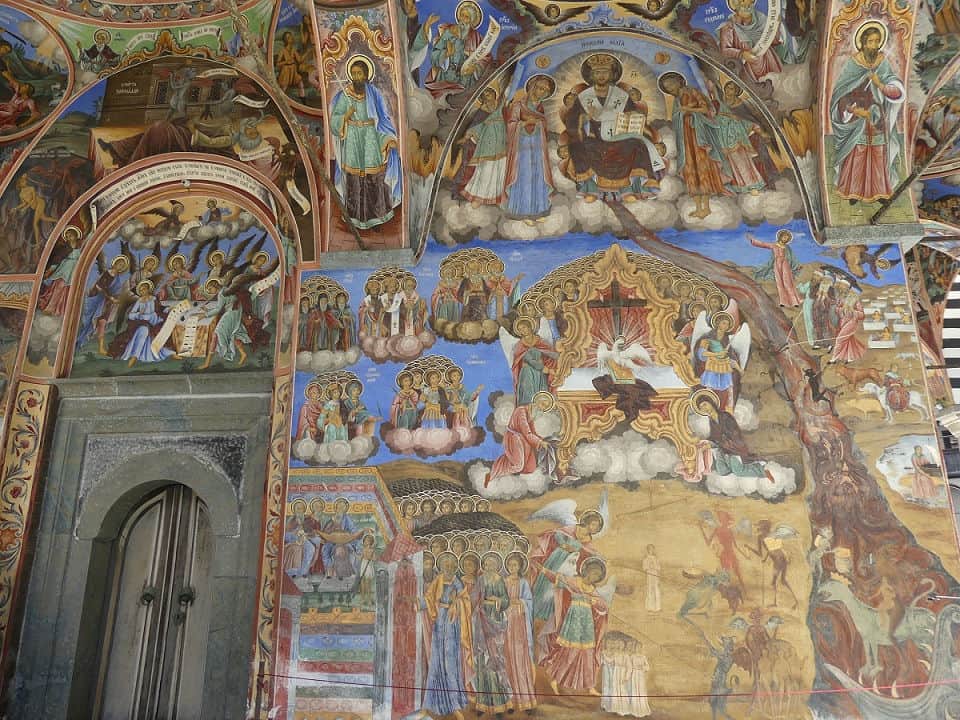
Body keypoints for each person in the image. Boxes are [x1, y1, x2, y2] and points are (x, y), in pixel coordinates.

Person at [561, 54, 664, 202]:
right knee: (578, 146)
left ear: (611, 74)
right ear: (591, 75)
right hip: (593, 137)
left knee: (637, 144)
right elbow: (571, 122)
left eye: (605, 72)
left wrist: (631, 115)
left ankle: (632, 188)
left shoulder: (621, 96)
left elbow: (633, 114)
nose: (601, 76)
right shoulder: (584, 97)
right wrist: (584, 118)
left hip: (619, 136)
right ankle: (589, 188)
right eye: (597, 72)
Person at [829, 22, 905, 204]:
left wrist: (879, 84)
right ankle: (853, 192)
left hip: (877, 116)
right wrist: (854, 110)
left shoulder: (882, 63)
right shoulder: (853, 63)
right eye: (871, 41)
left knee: (878, 153)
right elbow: (841, 93)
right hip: (858, 116)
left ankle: (879, 192)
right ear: (862, 42)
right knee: (858, 153)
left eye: (877, 41)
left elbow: (896, 90)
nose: (875, 45)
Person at [330, 56, 402, 229]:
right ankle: (355, 219)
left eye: (359, 73)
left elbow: (383, 118)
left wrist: (388, 138)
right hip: (353, 137)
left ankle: (376, 218)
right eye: (353, 73)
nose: (356, 77)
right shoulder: (345, 95)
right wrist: (346, 116)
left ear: (366, 75)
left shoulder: (374, 93)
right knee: (354, 179)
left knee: (373, 177)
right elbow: (335, 120)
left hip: (370, 136)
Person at [659, 72, 727, 219]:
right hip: (685, 139)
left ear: (679, 81)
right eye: (666, 88)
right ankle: (698, 207)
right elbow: (676, 117)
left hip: (698, 136)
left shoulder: (693, 92)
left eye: (671, 84)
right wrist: (681, 114)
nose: (670, 88)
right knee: (690, 170)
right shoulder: (677, 100)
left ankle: (706, 207)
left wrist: (689, 110)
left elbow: (707, 110)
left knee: (702, 169)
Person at [538, 556, 609, 695]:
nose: (593, 577)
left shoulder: (592, 590)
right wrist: (544, 570)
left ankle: (590, 686)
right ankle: (555, 679)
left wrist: (594, 601)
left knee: (588, 652)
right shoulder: (574, 582)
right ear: (586, 571)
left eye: (597, 576)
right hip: (573, 622)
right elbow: (558, 578)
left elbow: (603, 605)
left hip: (586, 624)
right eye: (593, 573)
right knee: (570, 651)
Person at [415, 553, 469, 720]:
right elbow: (428, 598)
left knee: (450, 663)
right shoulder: (438, 580)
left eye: (450, 564)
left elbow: (465, 600)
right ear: (441, 566)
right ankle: (429, 705)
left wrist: (456, 605)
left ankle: (454, 705)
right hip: (439, 622)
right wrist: (416, 603)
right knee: (436, 662)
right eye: (445, 564)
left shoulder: (457, 582)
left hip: (452, 624)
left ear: (454, 566)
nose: (447, 567)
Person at [530, 510, 604, 625]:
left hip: (570, 564)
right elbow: (558, 534)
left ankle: (548, 617)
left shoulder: (588, 539)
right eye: (594, 524)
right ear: (587, 522)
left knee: (558, 588)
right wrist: (563, 544)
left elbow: (585, 552)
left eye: (597, 526)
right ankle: (535, 611)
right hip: (558, 558)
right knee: (547, 584)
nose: (595, 528)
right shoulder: (574, 528)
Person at [504, 74, 556, 225]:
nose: (542, 92)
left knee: (538, 176)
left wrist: (540, 123)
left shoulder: (540, 108)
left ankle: (538, 211)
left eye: (545, 91)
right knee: (525, 176)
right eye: (540, 88)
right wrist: (525, 122)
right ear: (532, 87)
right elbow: (511, 124)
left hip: (537, 147)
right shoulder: (518, 106)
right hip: (522, 148)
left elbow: (544, 125)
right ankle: (523, 212)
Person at [471, 553, 512, 714]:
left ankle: (501, 702)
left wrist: (498, 600)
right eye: (486, 563)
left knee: (496, 660)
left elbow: (506, 600)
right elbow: (474, 597)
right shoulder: (481, 579)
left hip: (496, 621)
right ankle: (483, 703)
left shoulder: (500, 580)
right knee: (483, 661)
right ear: (484, 565)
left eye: (492, 563)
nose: (489, 566)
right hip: (482, 621)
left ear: (497, 565)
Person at [488, 391, 557, 484]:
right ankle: (496, 475)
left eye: (545, 407)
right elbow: (527, 432)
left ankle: (512, 481)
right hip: (514, 439)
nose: (543, 407)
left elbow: (532, 432)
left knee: (530, 467)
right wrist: (540, 442)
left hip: (523, 440)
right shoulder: (521, 411)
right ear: (537, 400)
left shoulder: (531, 413)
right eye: (543, 404)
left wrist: (542, 440)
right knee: (518, 466)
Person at [425, 0, 487, 97]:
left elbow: (485, 59)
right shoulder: (448, 32)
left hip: (465, 81)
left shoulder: (476, 37)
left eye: (466, 17)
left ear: (472, 20)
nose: (462, 19)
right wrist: (446, 54)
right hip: (446, 78)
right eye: (461, 15)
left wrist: (475, 68)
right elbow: (434, 55)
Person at [459, 88, 508, 206]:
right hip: (487, 144)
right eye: (485, 94)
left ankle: (496, 197)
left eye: (490, 92)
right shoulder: (482, 112)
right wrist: (467, 136)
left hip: (501, 143)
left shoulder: (501, 106)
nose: (488, 95)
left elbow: (507, 93)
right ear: (482, 99)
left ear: (495, 94)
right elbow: (477, 126)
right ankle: (478, 197)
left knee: (500, 170)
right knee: (485, 170)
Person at [110, 280, 174, 367]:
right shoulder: (139, 301)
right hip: (142, 321)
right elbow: (131, 315)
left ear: (148, 289)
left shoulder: (154, 299)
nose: (143, 291)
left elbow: (160, 309)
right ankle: (134, 356)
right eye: (141, 290)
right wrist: (139, 313)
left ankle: (169, 352)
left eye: (144, 289)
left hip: (154, 320)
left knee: (166, 328)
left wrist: (168, 309)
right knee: (143, 331)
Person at [718, 0, 785, 83]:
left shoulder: (761, 18)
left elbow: (773, 41)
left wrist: (776, 26)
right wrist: (742, 54)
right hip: (748, 70)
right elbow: (724, 51)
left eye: (749, 3)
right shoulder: (728, 27)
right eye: (742, 3)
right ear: (735, 6)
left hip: (769, 63)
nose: (747, 6)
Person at [78, 254, 129, 356]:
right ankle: (81, 340)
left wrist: (118, 299)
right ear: (114, 263)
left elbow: (116, 291)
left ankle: (101, 348)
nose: (120, 266)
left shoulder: (118, 279)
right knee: (90, 322)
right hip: (98, 300)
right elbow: (99, 286)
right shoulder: (106, 273)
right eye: (119, 263)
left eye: (122, 266)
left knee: (102, 323)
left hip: (107, 304)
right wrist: (110, 297)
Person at [693, 311, 743, 412]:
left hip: (724, 366)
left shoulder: (726, 340)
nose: (726, 325)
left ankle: (728, 410)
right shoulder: (708, 337)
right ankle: (709, 408)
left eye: (727, 324)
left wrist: (739, 369)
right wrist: (716, 354)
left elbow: (731, 357)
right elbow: (701, 353)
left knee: (728, 390)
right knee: (710, 388)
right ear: (717, 323)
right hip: (712, 365)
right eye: (724, 322)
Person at [511, 317, 558, 405]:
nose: (523, 331)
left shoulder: (541, 341)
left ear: (530, 327)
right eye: (520, 329)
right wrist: (543, 368)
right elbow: (528, 359)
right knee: (529, 399)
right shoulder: (520, 345)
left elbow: (550, 354)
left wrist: (549, 366)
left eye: (524, 327)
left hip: (540, 374)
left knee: (542, 399)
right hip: (527, 373)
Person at [749, 230, 801, 307]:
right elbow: (763, 244)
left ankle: (794, 302)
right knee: (779, 283)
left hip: (784, 263)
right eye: (784, 237)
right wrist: (752, 240)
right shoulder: (774, 245)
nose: (785, 239)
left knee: (788, 283)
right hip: (777, 264)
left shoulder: (787, 247)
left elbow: (792, 257)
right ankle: (783, 302)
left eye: (787, 238)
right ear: (780, 237)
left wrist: (797, 265)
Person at [319, 498, 363, 580]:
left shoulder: (347, 519)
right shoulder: (331, 519)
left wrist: (354, 535)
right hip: (332, 541)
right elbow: (325, 531)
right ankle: (329, 572)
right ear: (336, 507)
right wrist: (332, 524)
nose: (341, 509)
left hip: (344, 541)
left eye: (343, 507)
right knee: (326, 550)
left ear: (345, 509)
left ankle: (341, 573)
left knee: (341, 551)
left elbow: (353, 530)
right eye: (339, 506)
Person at [829, 285, 866, 364]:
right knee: (849, 340)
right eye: (850, 291)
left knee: (839, 339)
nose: (851, 293)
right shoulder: (844, 300)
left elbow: (862, 315)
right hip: (843, 322)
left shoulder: (857, 302)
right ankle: (851, 357)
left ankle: (834, 357)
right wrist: (842, 309)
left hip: (851, 323)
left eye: (853, 292)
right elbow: (837, 310)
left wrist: (853, 311)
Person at [642, 544, 661, 612]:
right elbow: (644, 568)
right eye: (649, 549)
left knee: (656, 590)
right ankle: (649, 608)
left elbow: (659, 568)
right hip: (649, 575)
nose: (651, 550)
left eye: (652, 549)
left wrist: (654, 566)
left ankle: (657, 608)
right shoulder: (646, 559)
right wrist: (649, 566)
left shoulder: (656, 558)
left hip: (655, 575)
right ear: (648, 550)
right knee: (650, 590)